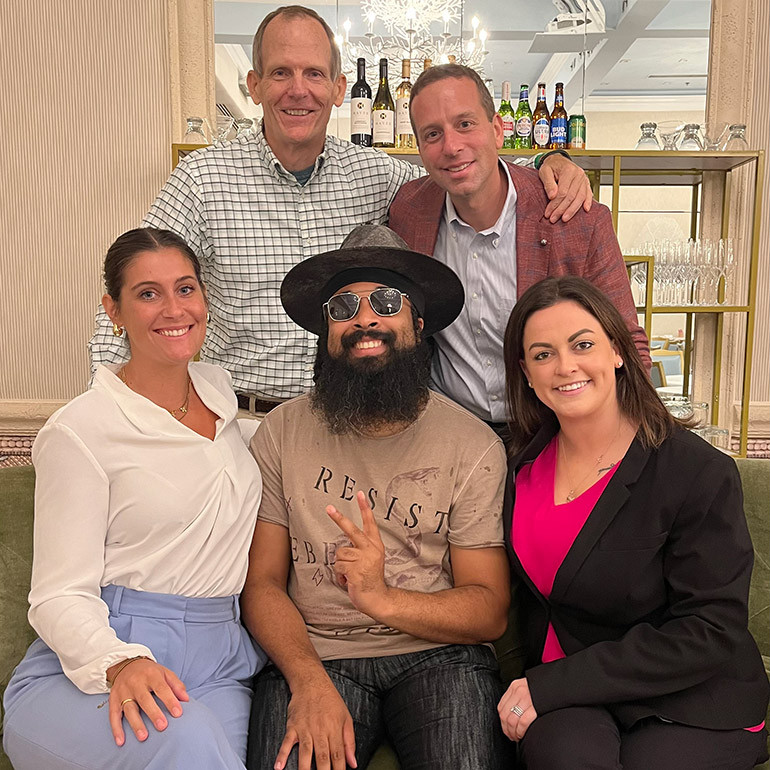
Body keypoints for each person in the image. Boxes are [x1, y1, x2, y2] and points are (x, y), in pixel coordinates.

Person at [88, 5, 593, 412]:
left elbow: (461, 168)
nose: (298, 89)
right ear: (254, 84)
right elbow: (137, 288)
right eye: (280, 72)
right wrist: (108, 407)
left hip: (352, 420)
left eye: (314, 73)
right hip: (242, 424)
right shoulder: (201, 180)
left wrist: (549, 159)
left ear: (337, 89)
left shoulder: (377, 175)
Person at [241, 224, 514, 770]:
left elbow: (489, 611)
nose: (364, 318)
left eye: (386, 301)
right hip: (319, 653)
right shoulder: (279, 434)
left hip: (440, 657)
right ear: (326, 331)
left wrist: (380, 596)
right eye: (343, 306)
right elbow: (261, 585)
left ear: (417, 321)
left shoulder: (473, 445)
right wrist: (307, 679)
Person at [3, 228, 267, 769]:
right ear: (114, 310)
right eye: (148, 293)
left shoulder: (223, 400)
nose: (174, 309)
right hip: (99, 663)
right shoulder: (81, 430)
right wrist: (120, 664)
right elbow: (56, 595)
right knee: (188, 744)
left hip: (221, 661)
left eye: (186, 288)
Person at [496, 275, 769, 769]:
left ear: (619, 351)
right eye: (542, 354)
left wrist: (553, 682)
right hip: (573, 693)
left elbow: (709, 628)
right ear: (526, 373)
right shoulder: (518, 467)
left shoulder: (695, 470)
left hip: (691, 692)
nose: (565, 366)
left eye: (583, 344)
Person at [388, 64, 650, 431]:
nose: (451, 146)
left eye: (465, 124)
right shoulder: (408, 210)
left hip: (556, 431)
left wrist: (626, 448)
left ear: (497, 130)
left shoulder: (575, 217)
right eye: (433, 134)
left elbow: (628, 342)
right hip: (449, 434)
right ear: (419, 147)